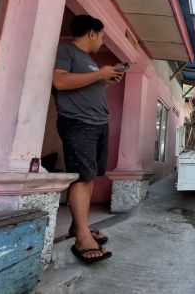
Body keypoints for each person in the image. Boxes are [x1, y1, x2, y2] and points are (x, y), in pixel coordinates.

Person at [52, 14, 123, 264]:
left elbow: (88, 88)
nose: (102, 41)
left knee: (89, 176)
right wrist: (99, 74)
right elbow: (59, 81)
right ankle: (82, 237)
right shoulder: (66, 50)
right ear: (91, 32)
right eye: (102, 35)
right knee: (82, 178)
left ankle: (78, 226)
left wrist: (104, 81)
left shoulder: (89, 62)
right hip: (78, 123)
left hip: (98, 123)